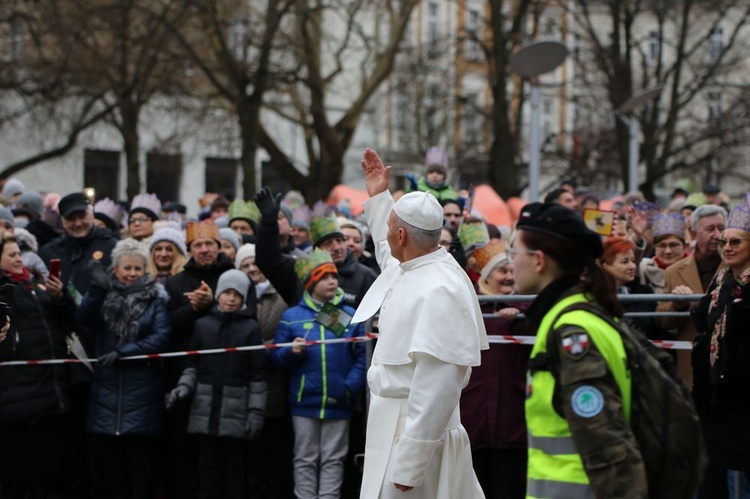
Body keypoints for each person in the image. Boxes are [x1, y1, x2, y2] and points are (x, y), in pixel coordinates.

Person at [356, 148, 487, 498]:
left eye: (391, 229)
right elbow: (390, 256)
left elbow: (438, 384)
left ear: (402, 237)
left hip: (416, 434)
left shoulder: (441, 287)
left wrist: (411, 461)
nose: (386, 237)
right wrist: (379, 197)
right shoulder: (416, 264)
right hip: (395, 424)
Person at [511, 202, 646, 498]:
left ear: (538, 260)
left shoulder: (573, 333)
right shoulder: (570, 317)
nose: (510, 263)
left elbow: (609, 446)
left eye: (514, 253)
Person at [75, 238, 172, 499]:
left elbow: (162, 336)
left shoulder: (156, 298)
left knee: (140, 478)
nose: (132, 274)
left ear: (145, 270)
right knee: (110, 479)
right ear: (115, 269)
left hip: (142, 396)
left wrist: (124, 352)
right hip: (105, 397)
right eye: (126, 268)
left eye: (137, 269)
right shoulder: (103, 294)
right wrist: (96, 289)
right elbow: (82, 320)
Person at [271, 248, 366, 499]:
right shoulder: (292, 317)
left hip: (339, 401)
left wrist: (349, 387)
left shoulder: (346, 315)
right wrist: (291, 352)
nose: (332, 281)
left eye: (334, 276)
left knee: (334, 460)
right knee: (305, 458)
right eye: (324, 277)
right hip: (305, 401)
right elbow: (277, 359)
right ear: (311, 283)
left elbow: (361, 357)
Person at [167, 269, 267, 499]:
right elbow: (192, 365)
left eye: (237, 294)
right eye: (227, 293)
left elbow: (257, 377)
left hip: (236, 413)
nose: (231, 299)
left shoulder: (250, 328)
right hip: (204, 410)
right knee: (207, 469)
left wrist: (255, 412)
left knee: (234, 470)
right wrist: (182, 388)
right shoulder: (203, 325)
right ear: (218, 294)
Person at [163, 219, 239, 499]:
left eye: (210, 244)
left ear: (219, 247)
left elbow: (244, 322)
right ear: (189, 249)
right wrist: (192, 308)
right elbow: (168, 327)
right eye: (198, 245)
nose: (204, 249)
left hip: (226, 379)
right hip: (186, 377)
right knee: (184, 451)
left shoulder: (233, 276)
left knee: (225, 456)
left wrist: (212, 306)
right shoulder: (176, 282)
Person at [0, 235, 74, 498]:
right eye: (11, 255)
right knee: (19, 479)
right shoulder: (4, 292)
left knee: (49, 478)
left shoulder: (36, 286)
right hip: (17, 400)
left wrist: (60, 297)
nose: (19, 258)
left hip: (49, 395)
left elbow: (66, 323)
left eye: (19, 253)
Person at [460, 239, 531, 499]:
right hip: (473, 418)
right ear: (488, 276)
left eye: (512, 271)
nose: (509, 277)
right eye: (502, 271)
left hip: (511, 423)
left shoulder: (525, 306)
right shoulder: (470, 306)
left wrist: (521, 319)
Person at [691, 202, 750, 499]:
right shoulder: (721, 281)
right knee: (712, 479)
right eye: (724, 241)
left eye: (735, 241)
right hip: (716, 397)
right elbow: (702, 319)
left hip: (745, 400)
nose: (726, 247)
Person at [235, 243, 295, 498]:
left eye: (254, 263)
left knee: (275, 447)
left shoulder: (281, 295)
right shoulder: (234, 297)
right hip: (243, 383)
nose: (251, 269)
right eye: (244, 265)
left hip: (276, 381)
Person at [656, 204, 726, 388]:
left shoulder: (739, 268)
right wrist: (678, 306)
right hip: (691, 365)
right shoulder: (674, 271)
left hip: (728, 363)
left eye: (721, 228)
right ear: (694, 233)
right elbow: (662, 320)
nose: (717, 235)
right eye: (710, 229)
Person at [39, 192, 119, 300]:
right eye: (71, 218)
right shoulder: (49, 253)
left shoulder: (113, 248)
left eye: (82, 216)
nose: (78, 223)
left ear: (92, 215)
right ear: (63, 221)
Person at [599, 237, 663, 340]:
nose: (632, 266)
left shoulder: (645, 292)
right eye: (625, 262)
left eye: (633, 261)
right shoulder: (596, 295)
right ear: (606, 266)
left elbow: (656, 329)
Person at [639, 212, 689, 294]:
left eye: (673, 245)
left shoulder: (695, 267)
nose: (668, 251)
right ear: (654, 248)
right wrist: (637, 236)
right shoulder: (644, 268)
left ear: (685, 247)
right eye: (662, 246)